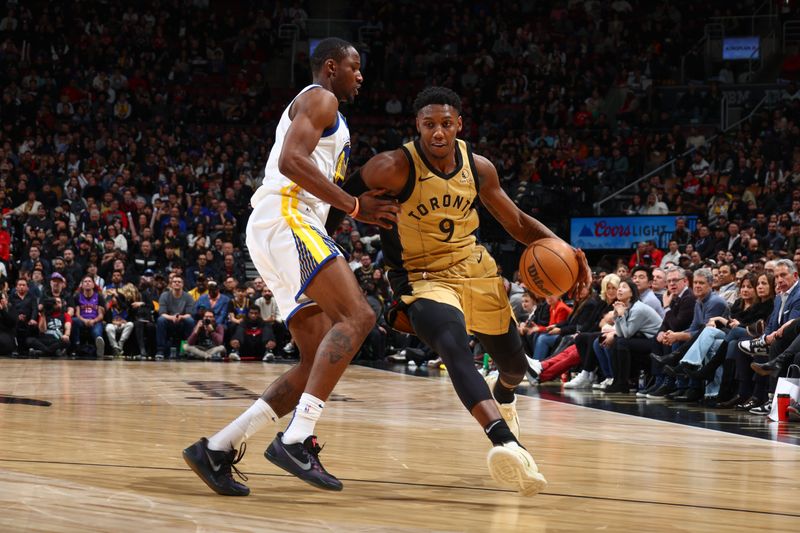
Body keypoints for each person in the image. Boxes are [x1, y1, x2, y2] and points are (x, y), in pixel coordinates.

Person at [340, 87, 590, 495]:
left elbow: (517, 222)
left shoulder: (479, 168)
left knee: (512, 367)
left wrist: (570, 252)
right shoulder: (391, 166)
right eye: (428, 124)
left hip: (475, 270)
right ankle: (506, 443)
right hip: (421, 276)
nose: (438, 132)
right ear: (417, 126)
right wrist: (349, 214)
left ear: (459, 124)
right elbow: (337, 201)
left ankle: (504, 394)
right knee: (452, 344)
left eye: (445, 123)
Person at [183, 37, 399, 496]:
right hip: (285, 216)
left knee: (313, 360)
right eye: (354, 67)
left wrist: (345, 212)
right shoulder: (320, 97)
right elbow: (291, 161)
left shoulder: (328, 112)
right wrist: (357, 206)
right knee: (359, 316)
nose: (361, 76)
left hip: (283, 226)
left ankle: (218, 448)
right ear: (331, 66)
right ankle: (298, 437)